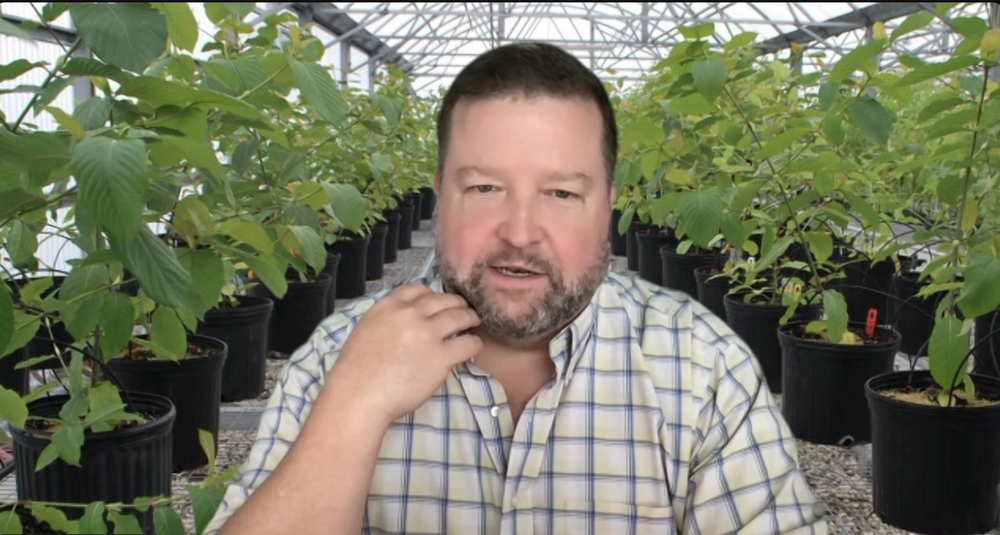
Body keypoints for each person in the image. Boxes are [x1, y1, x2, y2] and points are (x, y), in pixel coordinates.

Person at [205, 42, 828, 535]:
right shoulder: (339, 354)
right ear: (438, 195)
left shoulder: (703, 369)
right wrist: (355, 404)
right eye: (484, 188)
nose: (521, 232)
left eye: (561, 193)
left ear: (609, 205)